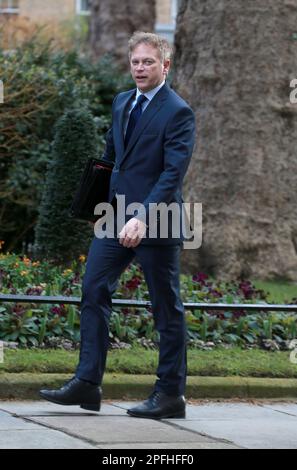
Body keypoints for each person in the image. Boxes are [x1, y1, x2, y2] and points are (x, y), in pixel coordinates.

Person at [40, 31, 196, 420]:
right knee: (93, 289)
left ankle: (170, 394)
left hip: (156, 220)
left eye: (148, 62)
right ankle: (87, 384)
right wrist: (97, 206)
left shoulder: (178, 111)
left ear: (166, 65)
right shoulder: (122, 101)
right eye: (135, 62)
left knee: (166, 308)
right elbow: (113, 156)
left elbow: (172, 174)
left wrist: (142, 218)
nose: (140, 68)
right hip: (113, 217)